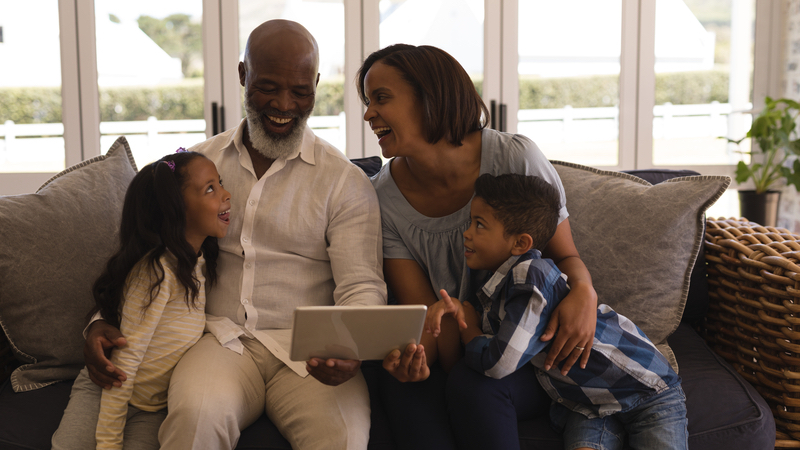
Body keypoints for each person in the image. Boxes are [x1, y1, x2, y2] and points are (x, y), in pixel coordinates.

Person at [74, 20, 386, 450]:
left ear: (315, 85)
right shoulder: (199, 165)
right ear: (243, 76)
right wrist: (100, 322)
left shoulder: (345, 182)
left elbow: (362, 285)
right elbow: (143, 257)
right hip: (219, 342)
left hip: (308, 356)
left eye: (300, 91)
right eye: (267, 86)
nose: (283, 104)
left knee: (345, 438)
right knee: (193, 420)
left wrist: (351, 347)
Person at [358, 44, 599, 448]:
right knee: (401, 386)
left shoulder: (516, 158)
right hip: (458, 344)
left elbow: (566, 256)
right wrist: (414, 360)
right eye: (367, 101)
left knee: (474, 388)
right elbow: (429, 318)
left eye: (381, 98)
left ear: (430, 98)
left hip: (528, 350)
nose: (368, 114)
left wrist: (585, 293)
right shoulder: (380, 199)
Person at [431, 173, 688, 450]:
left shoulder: (530, 277)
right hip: (588, 402)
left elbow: (499, 364)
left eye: (479, 225)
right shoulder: (499, 290)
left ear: (520, 243)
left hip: (647, 391)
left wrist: (470, 329)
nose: (466, 232)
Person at [52, 151, 231, 449]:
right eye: (210, 189)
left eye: (220, 183)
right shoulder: (158, 272)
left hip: (151, 408)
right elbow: (125, 362)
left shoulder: (200, 264)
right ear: (177, 210)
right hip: (109, 392)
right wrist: (108, 442)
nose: (226, 194)